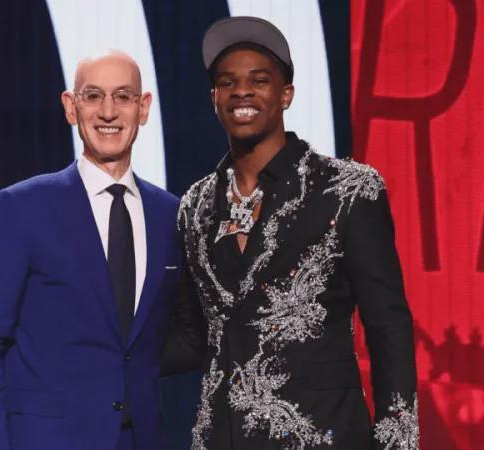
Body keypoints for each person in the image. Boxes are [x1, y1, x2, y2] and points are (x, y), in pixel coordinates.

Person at [178, 17, 419, 449]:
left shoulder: (347, 190)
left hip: (322, 434)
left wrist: (397, 443)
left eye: (259, 80)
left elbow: (389, 329)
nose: (242, 92)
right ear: (214, 98)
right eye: (227, 82)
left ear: (285, 94)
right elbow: (195, 336)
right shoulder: (194, 206)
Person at [0, 50, 189, 450]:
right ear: (71, 107)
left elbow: (168, 337)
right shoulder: (23, 207)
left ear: (143, 108)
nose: (108, 112)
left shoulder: (170, 215)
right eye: (93, 96)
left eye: (123, 97)